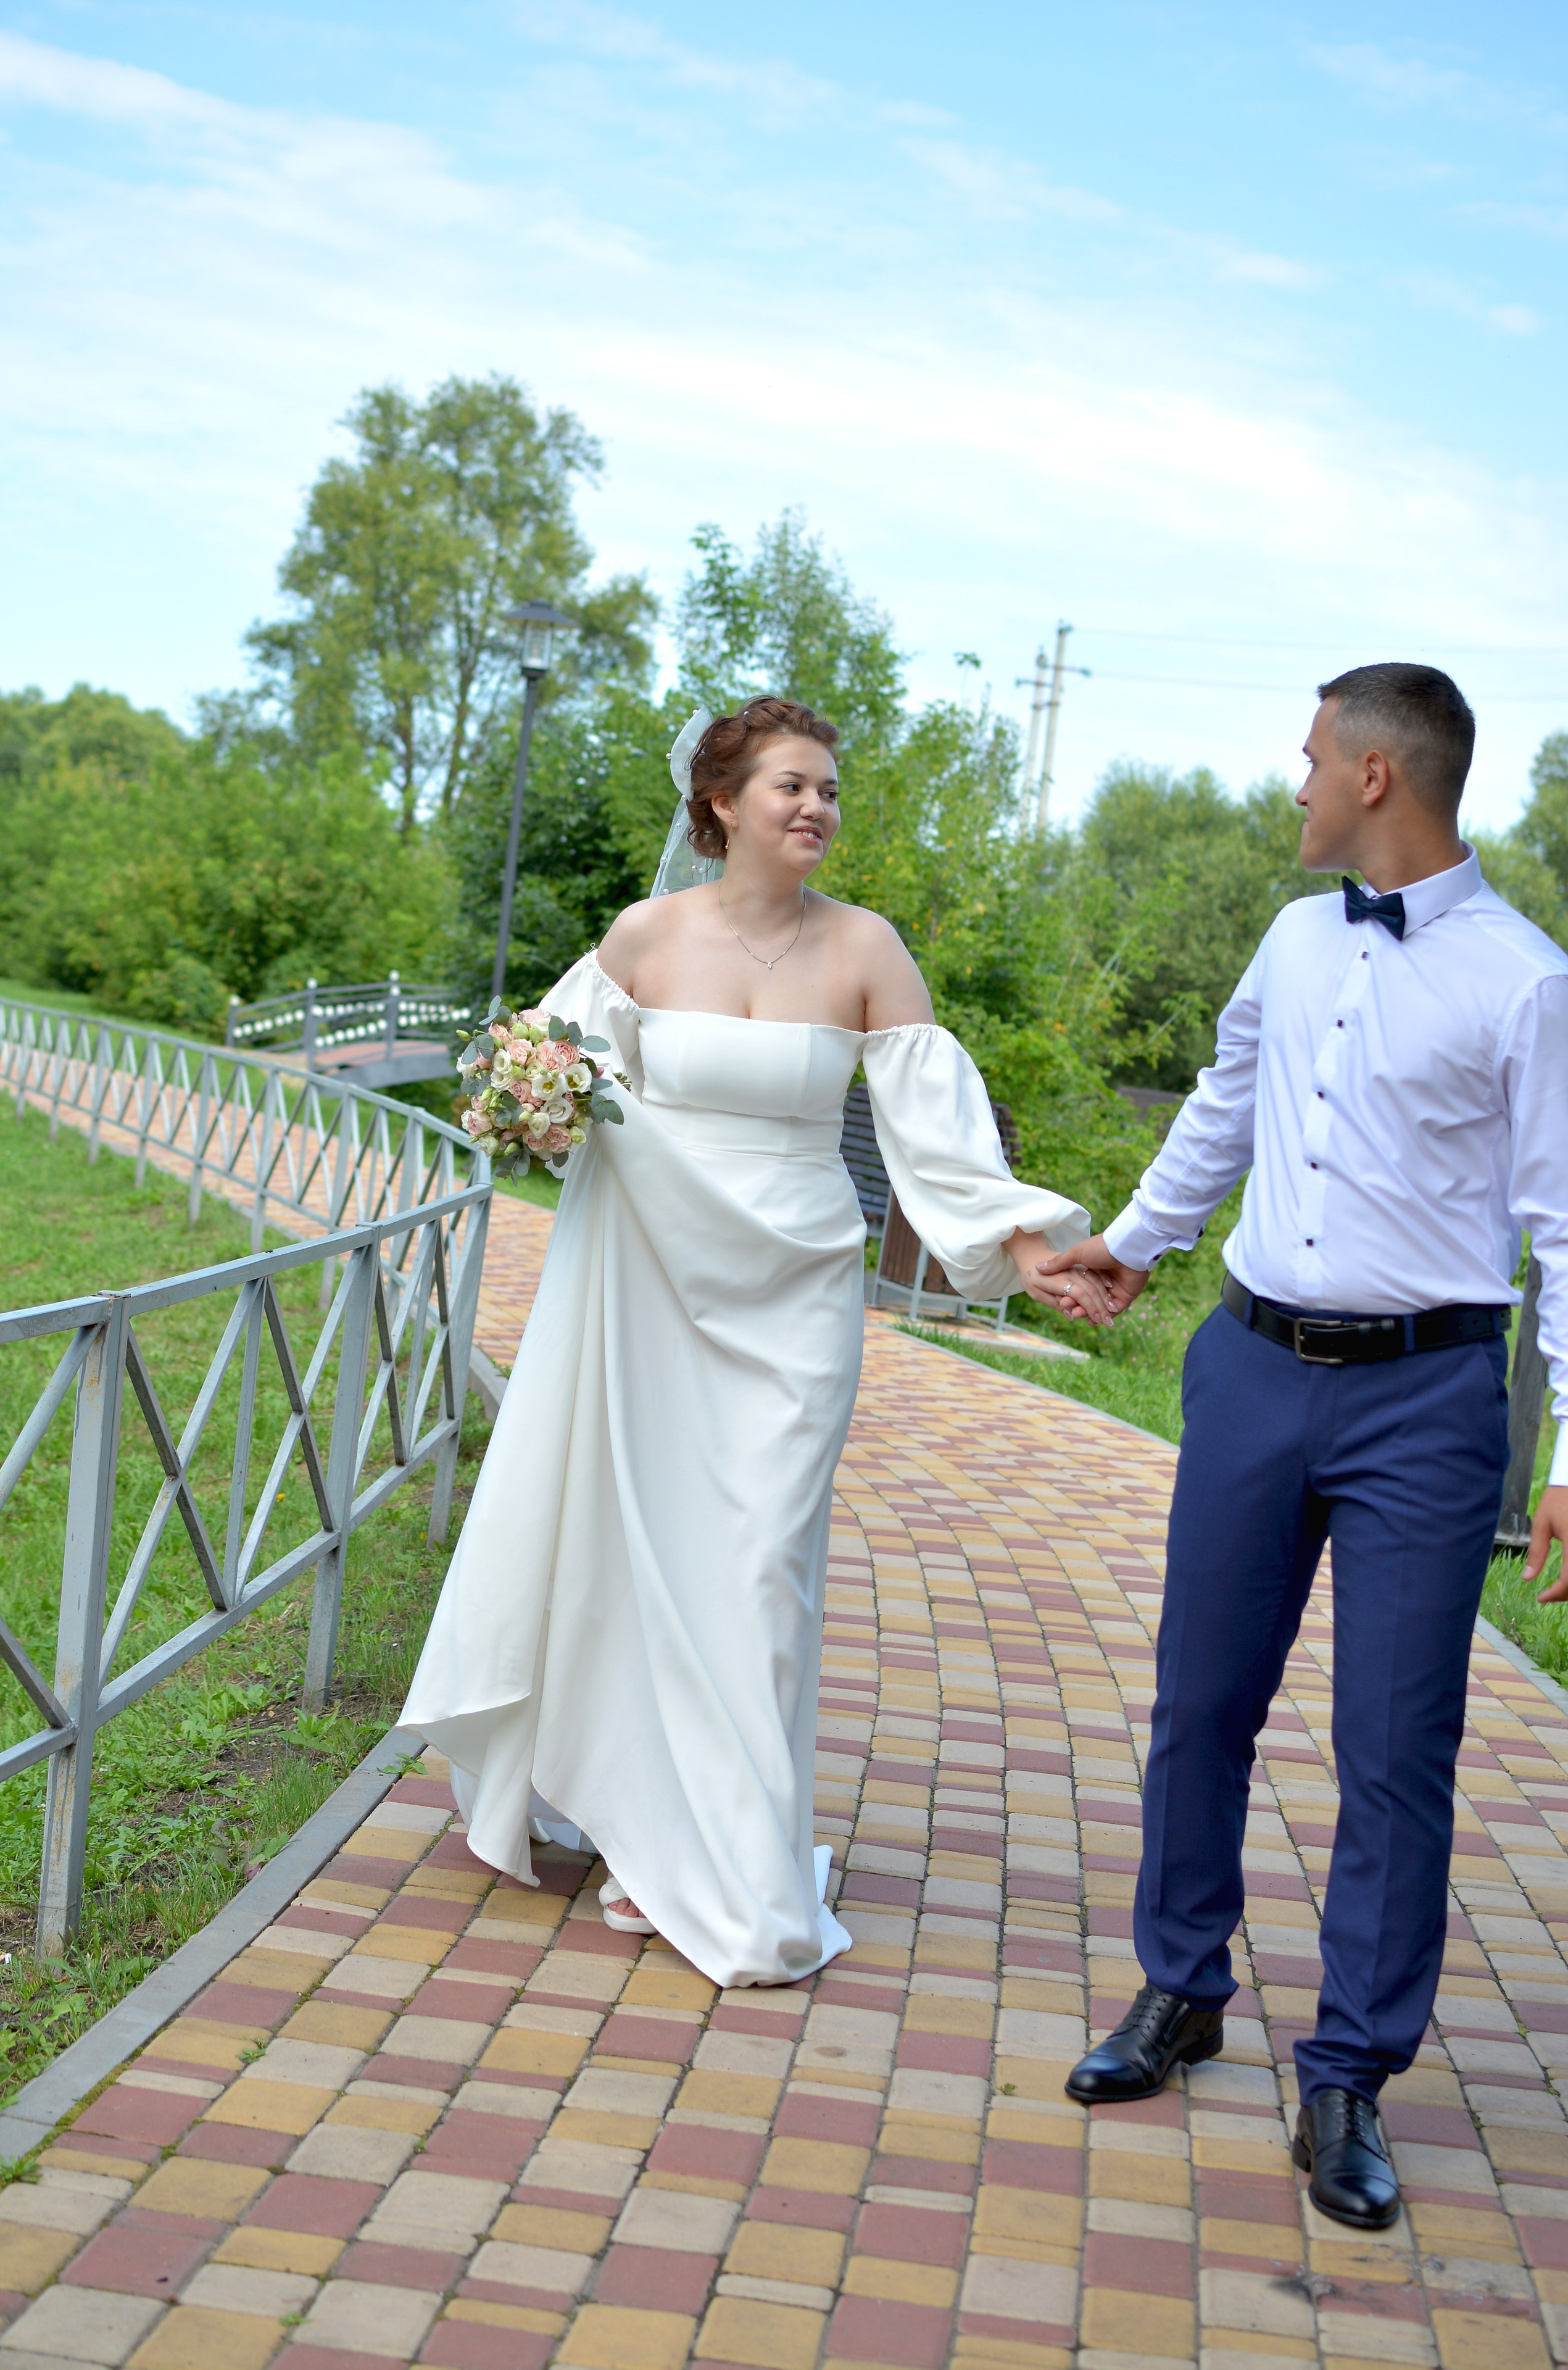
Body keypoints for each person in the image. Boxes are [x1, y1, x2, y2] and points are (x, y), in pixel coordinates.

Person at [401, 695, 1105, 1986]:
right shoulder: (643, 937)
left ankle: (721, 1851)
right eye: (789, 786)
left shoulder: (866, 952)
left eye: (828, 789)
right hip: (647, 1277)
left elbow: (936, 1143)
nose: (815, 808)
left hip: (791, 1294)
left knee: (757, 1569)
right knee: (635, 1548)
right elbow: (537, 1079)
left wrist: (1027, 1250)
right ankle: (633, 1825)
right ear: (719, 803)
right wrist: (533, 1114)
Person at [1042, 663, 1568, 2230]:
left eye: (1307, 760)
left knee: (1392, 1755)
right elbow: (1223, 1106)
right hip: (1252, 1368)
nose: (1290, 783)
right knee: (1197, 1700)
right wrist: (1134, 1246)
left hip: (1425, 1398)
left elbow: (1564, 1227)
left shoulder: (1526, 982)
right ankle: (1179, 1988)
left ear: (1375, 780)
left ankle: (1345, 2074)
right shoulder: (1289, 936)